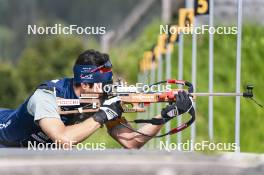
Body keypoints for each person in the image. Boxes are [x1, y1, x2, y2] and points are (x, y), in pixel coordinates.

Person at [0, 49, 193, 148]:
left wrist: (165, 116)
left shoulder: (101, 100)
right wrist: (101, 116)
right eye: (103, 84)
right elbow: (63, 139)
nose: (107, 90)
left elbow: (131, 142)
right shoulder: (46, 97)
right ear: (85, 84)